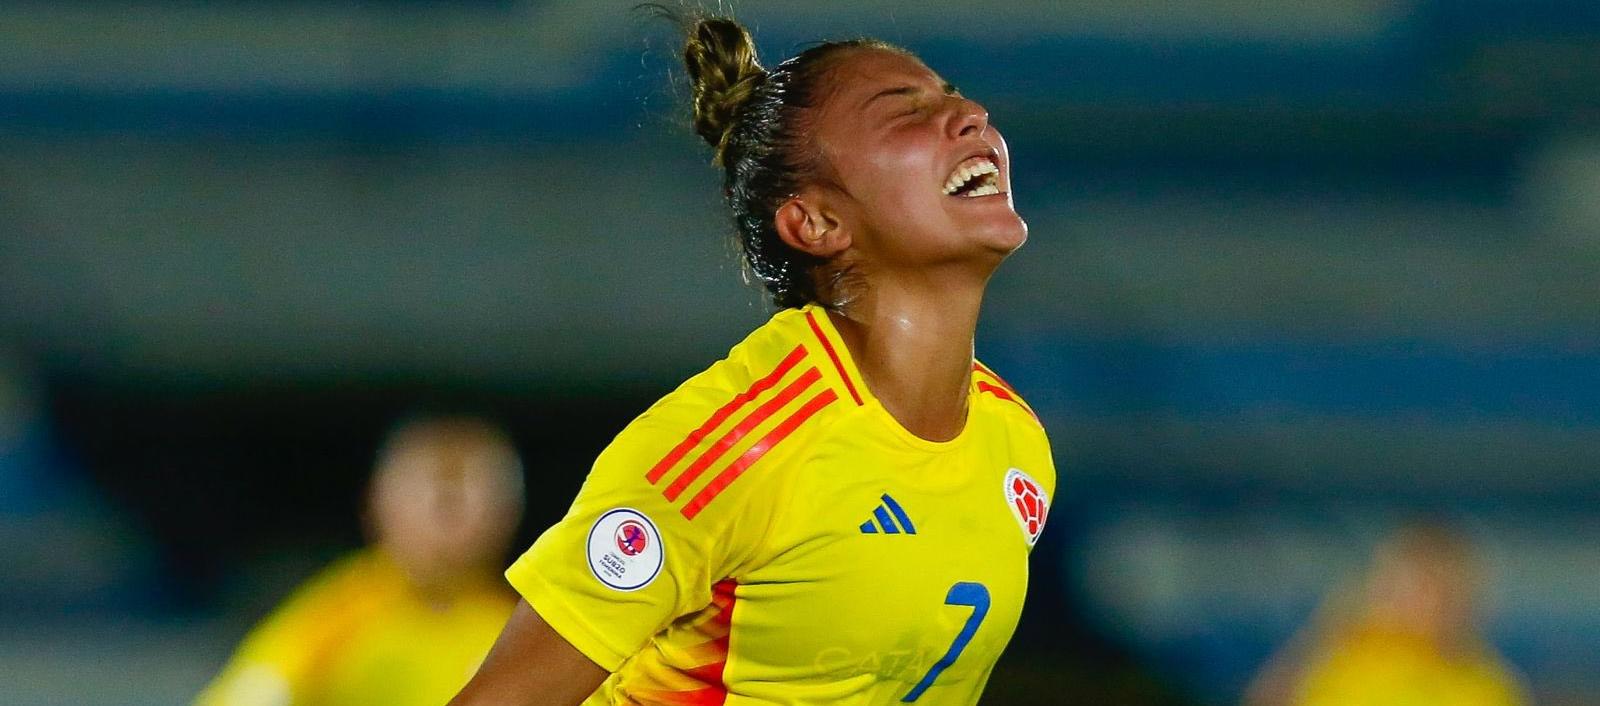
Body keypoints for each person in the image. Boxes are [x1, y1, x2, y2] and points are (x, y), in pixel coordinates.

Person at [449, 13, 1055, 706]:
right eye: (904, 113)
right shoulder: (733, 449)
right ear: (817, 222)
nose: (971, 114)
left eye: (953, 95)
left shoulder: (1015, 444)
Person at [196, 415, 526, 706]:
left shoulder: (523, 628)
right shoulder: (336, 620)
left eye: (468, 493)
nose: (449, 516)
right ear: (378, 502)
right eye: (434, 494)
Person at [1245, 522, 1528, 706]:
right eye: (1410, 587)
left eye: (1435, 588)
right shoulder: (1344, 656)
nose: (1424, 603)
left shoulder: (1486, 684)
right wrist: (1323, 631)